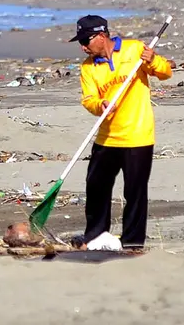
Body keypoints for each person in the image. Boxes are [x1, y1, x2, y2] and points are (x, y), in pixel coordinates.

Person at [70, 14, 172, 252]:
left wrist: (153, 60)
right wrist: (101, 105)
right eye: (80, 42)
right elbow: (88, 99)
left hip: (138, 135)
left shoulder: (134, 49)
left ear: (102, 35)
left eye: (86, 40)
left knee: (135, 191)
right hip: (107, 137)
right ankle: (95, 233)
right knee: (95, 186)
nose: (83, 46)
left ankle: (133, 242)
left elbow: (165, 72)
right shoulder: (88, 68)